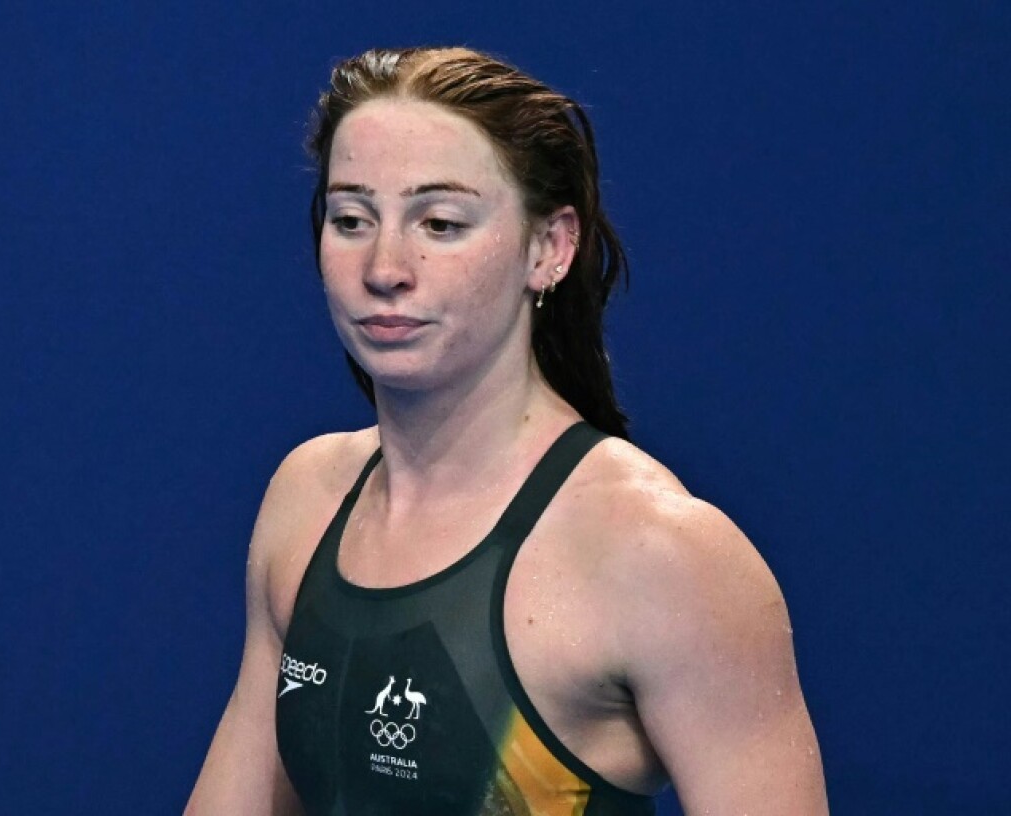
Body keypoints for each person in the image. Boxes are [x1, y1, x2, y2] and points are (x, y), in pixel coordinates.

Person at [185, 46, 827, 815]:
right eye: (351, 219)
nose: (386, 265)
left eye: (442, 223)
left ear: (550, 248)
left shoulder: (661, 556)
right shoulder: (306, 500)